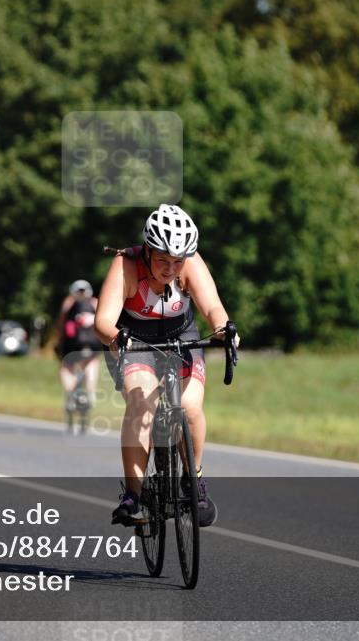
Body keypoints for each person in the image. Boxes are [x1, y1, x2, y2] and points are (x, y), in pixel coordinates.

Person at [94, 204, 240, 528]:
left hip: (181, 338)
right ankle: (134, 495)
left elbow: (213, 308)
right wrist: (118, 339)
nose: (171, 268)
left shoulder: (191, 264)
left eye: (178, 262)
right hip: (135, 342)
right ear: (147, 250)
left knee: (189, 406)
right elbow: (102, 321)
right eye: (163, 260)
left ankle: (195, 479)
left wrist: (226, 332)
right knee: (141, 402)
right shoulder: (126, 266)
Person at [56, 280, 101, 427]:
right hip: (92, 344)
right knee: (92, 362)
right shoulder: (95, 303)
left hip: (72, 345)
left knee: (66, 366)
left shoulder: (69, 303)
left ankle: (70, 393)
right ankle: (90, 391)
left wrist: (58, 342)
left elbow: (61, 325)